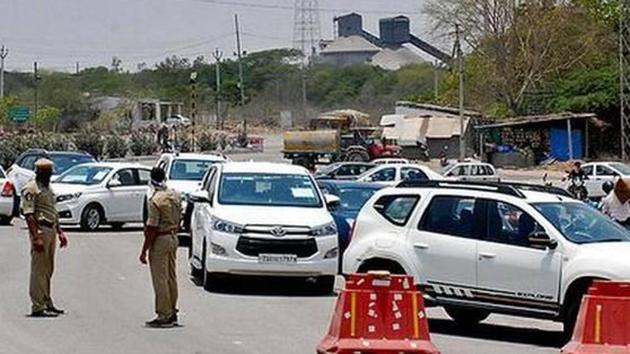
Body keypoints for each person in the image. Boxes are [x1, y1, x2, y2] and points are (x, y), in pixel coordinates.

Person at [21, 159, 69, 317]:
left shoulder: (48, 187)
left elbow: (52, 211)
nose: (49, 176)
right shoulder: (31, 189)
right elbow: (29, 215)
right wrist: (36, 237)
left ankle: (47, 301)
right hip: (40, 230)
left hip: (51, 229)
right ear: (39, 173)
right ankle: (37, 306)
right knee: (38, 270)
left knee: (48, 269)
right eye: (47, 173)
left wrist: (60, 232)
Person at [139, 167, 182, 328]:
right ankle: (172, 311)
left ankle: (164, 314)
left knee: (160, 279)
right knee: (171, 276)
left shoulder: (155, 200)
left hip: (161, 239)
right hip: (173, 236)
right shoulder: (174, 195)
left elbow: (151, 228)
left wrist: (144, 250)